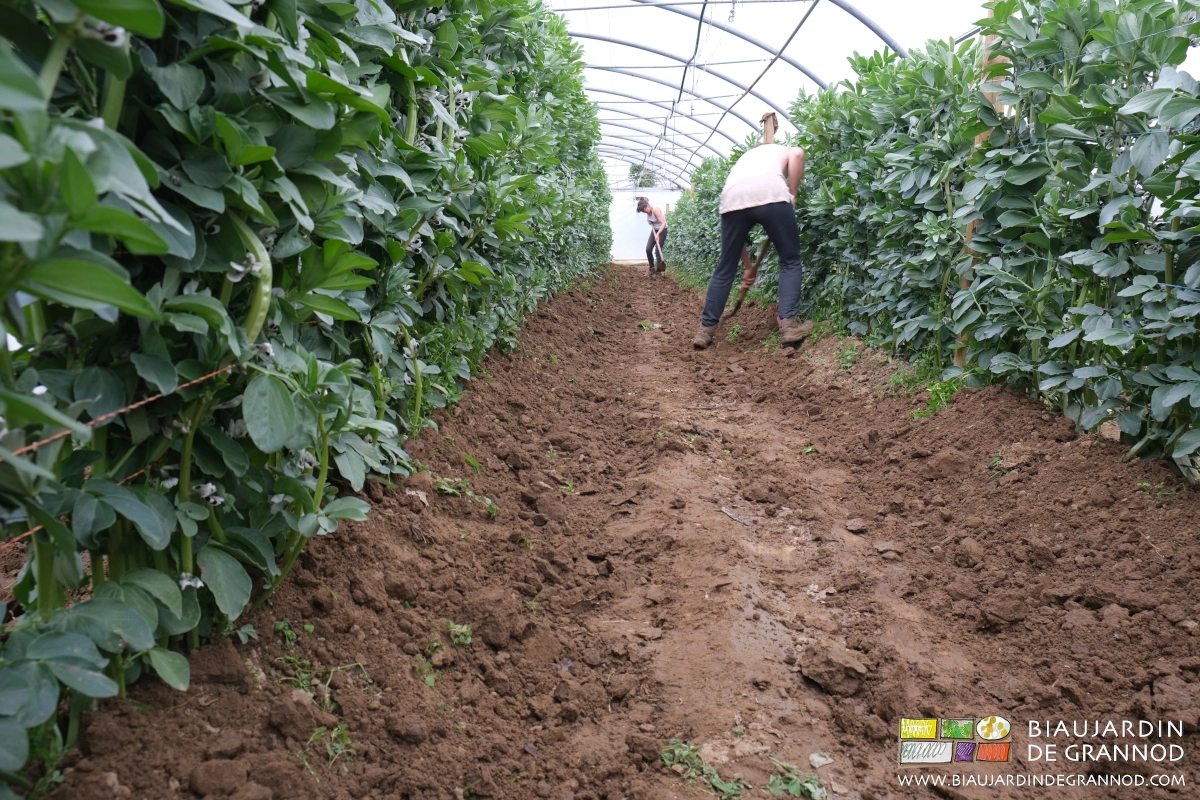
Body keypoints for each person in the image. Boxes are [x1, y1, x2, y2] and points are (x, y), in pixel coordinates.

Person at [692, 133, 811, 349]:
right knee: (790, 259)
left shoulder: (745, 161)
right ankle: (789, 326)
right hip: (773, 194)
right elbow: (798, 153)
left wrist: (748, 267)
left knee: (725, 268)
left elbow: (738, 242)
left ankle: (705, 331)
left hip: (732, 198)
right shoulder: (780, 149)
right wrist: (792, 193)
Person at [636, 197, 668, 277]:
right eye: (642, 211)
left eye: (644, 210)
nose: (644, 212)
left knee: (658, 251)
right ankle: (651, 268)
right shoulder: (647, 211)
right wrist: (649, 222)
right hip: (654, 231)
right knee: (648, 249)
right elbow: (651, 220)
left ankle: (659, 272)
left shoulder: (655, 209)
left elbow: (663, 223)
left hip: (662, 230)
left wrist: (658, 234)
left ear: (647, 206)